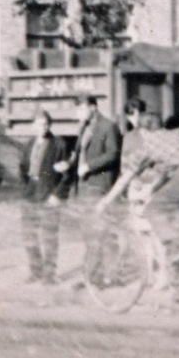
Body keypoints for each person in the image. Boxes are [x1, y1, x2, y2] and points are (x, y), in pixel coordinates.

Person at [95, 112, 179, 286]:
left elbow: (126, 177)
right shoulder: (174, 136)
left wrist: (105, 201)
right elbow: (167, 171)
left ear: (144, 132)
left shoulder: (148, 145)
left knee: (153, 210)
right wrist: (152, 189)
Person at [60, 93, 122, 283]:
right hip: (84, 188)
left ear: (93, 107)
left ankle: (102, 277)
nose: (77, 112)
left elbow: (113, 153)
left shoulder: (108, 126)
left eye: (80, 108)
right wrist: (69, 164)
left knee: (99, 233)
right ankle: (97, 276)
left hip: (98, 185)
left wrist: (89, 166)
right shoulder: (84, 127)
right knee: (90, 233)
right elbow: (78, 153)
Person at [18, 110, 66, 284]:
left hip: (49, 195)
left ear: (50, 125)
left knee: (49, 236)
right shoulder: (29, 144)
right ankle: (35, 271)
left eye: (45, 124)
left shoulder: (58, 144)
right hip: (31, 194)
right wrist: (26, 188)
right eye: (39, 124)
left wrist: (57, 194)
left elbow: (67, 175)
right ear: (33, 126)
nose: (42, 128)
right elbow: (22, 168)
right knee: (29, 234)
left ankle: (49, 275)